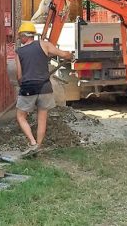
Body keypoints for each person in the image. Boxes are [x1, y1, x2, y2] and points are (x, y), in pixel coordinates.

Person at [15, 22, 73, 156]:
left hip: (28, 88)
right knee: (42, 117)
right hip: (45, 87)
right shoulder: (44, 44)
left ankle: (33, 143)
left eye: (20, 37)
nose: (20, 39)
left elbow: (19, 75)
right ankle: (39, 146)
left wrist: (22, 87)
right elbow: (63, 54)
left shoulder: (19, 52)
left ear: (24, 36)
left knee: (20, 115)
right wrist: (69, 55)